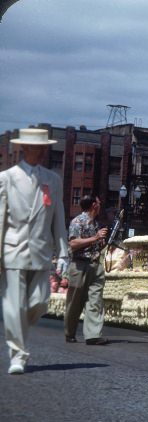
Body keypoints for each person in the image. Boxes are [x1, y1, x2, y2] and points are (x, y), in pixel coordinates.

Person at [0, 128, 69, 375]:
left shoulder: (53, 179)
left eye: (43, 148)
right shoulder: (7, 178)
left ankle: (16, 327)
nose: (40, 153)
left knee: (39, 302)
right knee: (14, 305)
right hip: (12, 249)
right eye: (36, 148)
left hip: (41, 251)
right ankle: (18, 354)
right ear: (24, 149)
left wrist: (63, 253)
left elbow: (58, 218)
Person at [64, 195, 109, 345]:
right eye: (98, 202)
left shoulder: (97, 224)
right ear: (93, 205)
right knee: (74, 302)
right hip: (79, 265)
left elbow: (96, 245)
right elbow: (73, 243)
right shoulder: (77, 221)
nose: (100, 204)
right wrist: (95, 238)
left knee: (95, 300)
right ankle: (70, 332)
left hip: (95, 265)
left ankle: (93, 335)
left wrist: (102, 241)